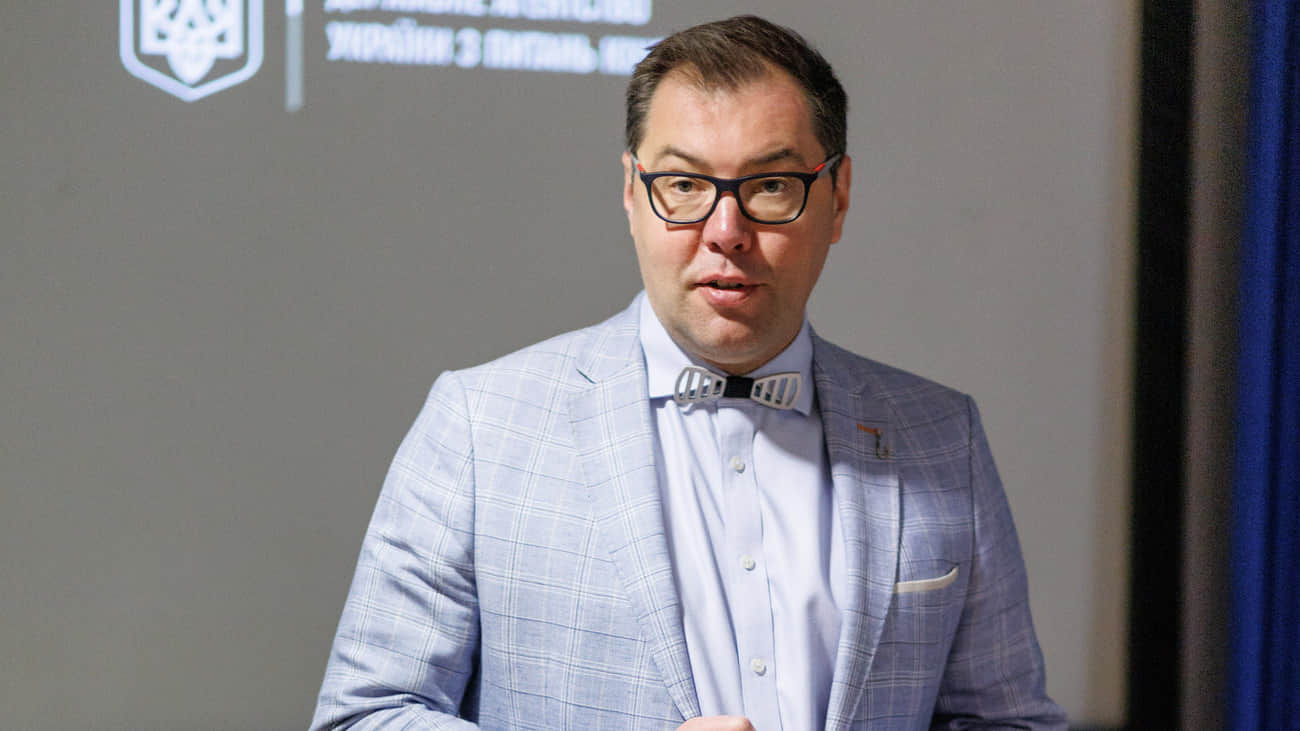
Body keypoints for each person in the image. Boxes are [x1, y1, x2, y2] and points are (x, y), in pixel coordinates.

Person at [311, 15, 1067, 730]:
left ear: (836, 199)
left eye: (771, 186)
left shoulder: (942, 435)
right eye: (684, 185)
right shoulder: (480, 424)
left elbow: (1007, 720)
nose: (726, 232)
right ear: (632, 193)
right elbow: (365, 714)